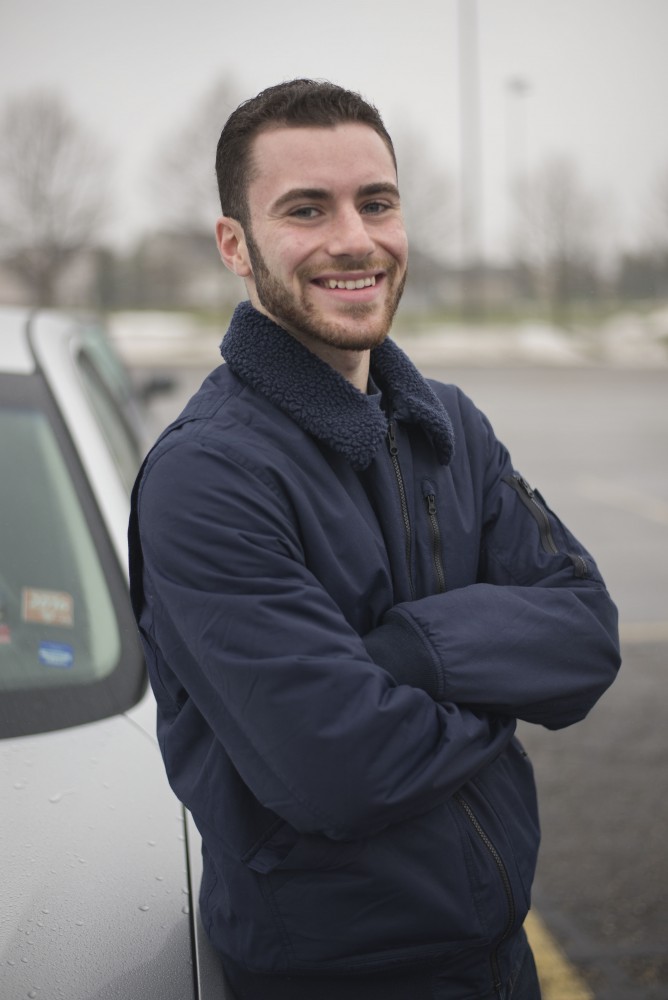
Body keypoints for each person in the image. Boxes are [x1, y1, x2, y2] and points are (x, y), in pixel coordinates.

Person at [128, 79, 620, 1000]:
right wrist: (500, 687)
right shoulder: (208, 477)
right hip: (336, 979)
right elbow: (338, 771)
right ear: (235, 244)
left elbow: (587, 635)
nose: (354, 238)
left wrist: (406, 655)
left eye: (377, 203)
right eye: (306, 209)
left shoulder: (449, 425)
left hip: (498, 956)